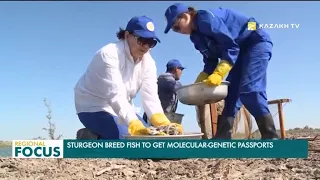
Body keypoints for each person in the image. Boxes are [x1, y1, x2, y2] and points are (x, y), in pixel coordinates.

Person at [163, 3, 279, 140]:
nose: (178, 31)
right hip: (238, 52)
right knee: (231, 95)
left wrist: (219, 73)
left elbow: (231, 47)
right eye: (174, 30)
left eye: (177, 26)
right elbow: (210, 59)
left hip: (254, 40)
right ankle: (223, 136)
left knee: (250, 90)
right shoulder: (195, 37)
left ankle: (271, 137)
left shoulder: (206, 19)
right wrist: (202, 78)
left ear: (186, 15)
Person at [74, 16, 183, 140]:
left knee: (153, 137)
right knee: (131, 141)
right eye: (142, 40)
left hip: (120, 108)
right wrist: (133, 124)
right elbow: (116, 95)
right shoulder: (108, 55)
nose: (146, 46)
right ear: (127, 36)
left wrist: (164, 123)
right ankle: (90, 136)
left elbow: (150, 96)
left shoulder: (149, 62)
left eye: (151, 42)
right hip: (93, 108)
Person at [142, 59, 185, 124]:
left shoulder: (167, 79)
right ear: (176, 69)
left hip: (157, 118)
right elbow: (182, 90)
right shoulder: (167, 79)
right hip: (154, 120)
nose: (181, 72)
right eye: (181, 69)